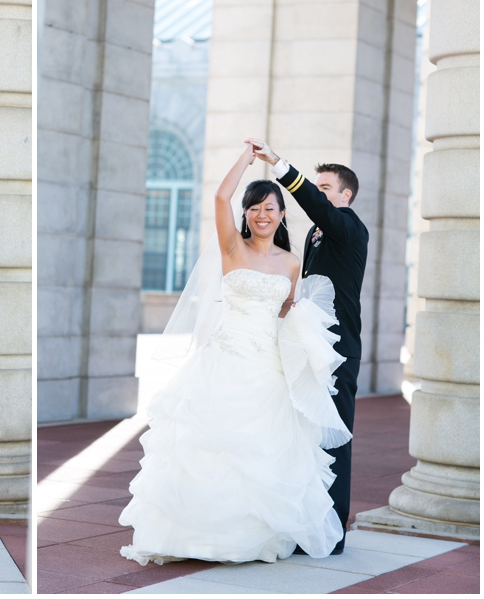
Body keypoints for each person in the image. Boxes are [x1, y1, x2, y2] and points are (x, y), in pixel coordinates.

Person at [118, 142, 351, 565]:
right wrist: (249, 159)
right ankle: (194, 537)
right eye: (254, 208)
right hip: (224, 360)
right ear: (246, 214)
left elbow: (285, 312)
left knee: (263, 453)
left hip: (267, 368)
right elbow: (220, 197)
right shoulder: (232, 249)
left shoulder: (291, 263)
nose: (262, 215)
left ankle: (252, 537)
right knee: (208, 448)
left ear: (282, 215)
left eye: (270, 208)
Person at [249, 138, 368, 555]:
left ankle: (330, 534)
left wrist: (278, 164)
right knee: (305, 436)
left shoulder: (349, 226)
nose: (319, 195)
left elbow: (316, 207)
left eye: (325, 189)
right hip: (308, 345)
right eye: (316, 187)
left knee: (333, 442)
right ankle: (305, 523)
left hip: (336, 352)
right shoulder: (318, 233)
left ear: (345, 195)